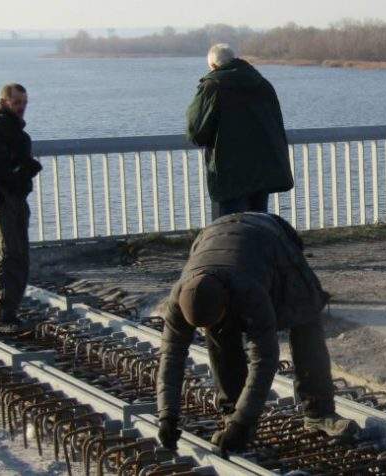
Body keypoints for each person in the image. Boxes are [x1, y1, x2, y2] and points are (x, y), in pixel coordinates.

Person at [155, 212, 358, 453]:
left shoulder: (249, 293)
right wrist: (167, 416)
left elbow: (263, 360)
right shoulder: (179, 298)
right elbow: (171, 356)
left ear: (226, 302)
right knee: (219, 334)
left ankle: (319, 412)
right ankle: (232, 411)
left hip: (273, 241)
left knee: (305, 318)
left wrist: (244, 423)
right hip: (215, 237)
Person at [186, 43, 293, 219]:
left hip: (229, 170)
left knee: (230, 227)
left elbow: (196, 130)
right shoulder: (262, 84)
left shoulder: (213, 86)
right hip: (262, 168)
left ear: (213, 65)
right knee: (258, 224)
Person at [0, 83, 42, 333]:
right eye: (17, 103)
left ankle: (9, 313)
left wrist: (24, 170)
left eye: (24, 103)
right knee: (9, 252)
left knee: (20, 255)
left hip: (15, 197)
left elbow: (17, 165)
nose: (22, 108)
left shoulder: (17, 132)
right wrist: (18, 171)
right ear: (4, 102)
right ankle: (0, 317)